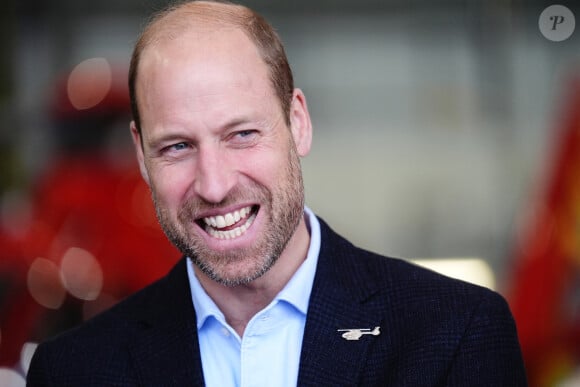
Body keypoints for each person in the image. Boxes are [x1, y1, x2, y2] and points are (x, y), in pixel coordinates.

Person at [26, 1, 528, 385]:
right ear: (141, 155)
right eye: (177, 146)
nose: (215, 184)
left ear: (298, 123)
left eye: (242, 134)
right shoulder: (73, 370)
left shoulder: (456, 334)